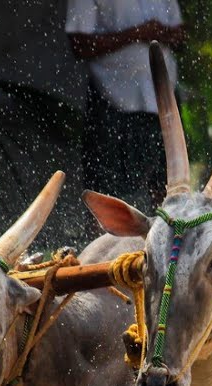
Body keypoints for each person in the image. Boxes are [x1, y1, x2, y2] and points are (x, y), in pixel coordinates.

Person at [65, 0, 184, 222]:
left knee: (169, 182)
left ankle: (169, 236)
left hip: (161, 92)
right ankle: (98, 249)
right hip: (111, 93)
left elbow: (179, 35)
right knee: (103, 182)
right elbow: (80, 44)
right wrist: (136, 33)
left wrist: (160, 33)